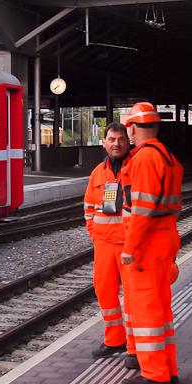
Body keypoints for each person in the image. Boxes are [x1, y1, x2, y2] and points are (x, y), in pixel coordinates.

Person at [120, 102, 183, 384]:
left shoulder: (144, 158)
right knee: (159, 307)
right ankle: (167, 369)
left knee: (146, 308)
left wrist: (130, 246)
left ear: (132, 128)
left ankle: (155, 374)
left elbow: (142, 208)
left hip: (148, 240)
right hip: (164, 234)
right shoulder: (166, 155)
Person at [84, 122, 131, 359]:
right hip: (103, 244)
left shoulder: (135, 167)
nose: (116, 144)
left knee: (133, 296)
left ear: (128, 141)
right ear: (104, 143)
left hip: (128, 244)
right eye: (111, 139)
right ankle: (114, 340)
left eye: (121, 139)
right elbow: (89, 207)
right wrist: (95, 234)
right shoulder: (97, 172)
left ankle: (134, 346)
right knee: (104, 291)